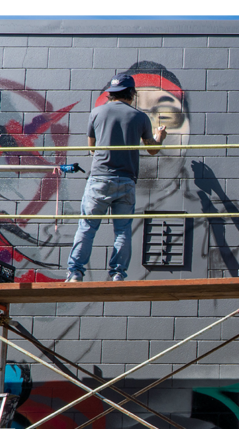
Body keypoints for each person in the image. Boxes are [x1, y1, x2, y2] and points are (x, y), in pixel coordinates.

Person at [66, 73, 167, 282]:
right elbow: (152, 150)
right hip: (126, 180)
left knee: (87, 227)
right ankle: (117, 274)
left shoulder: (97, 112)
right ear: (132, 93)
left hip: (99, 179)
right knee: (122, 230)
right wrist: (159, 136)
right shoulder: (140, 117)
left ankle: (75, 273)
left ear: (111, 94)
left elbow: (91, 148)